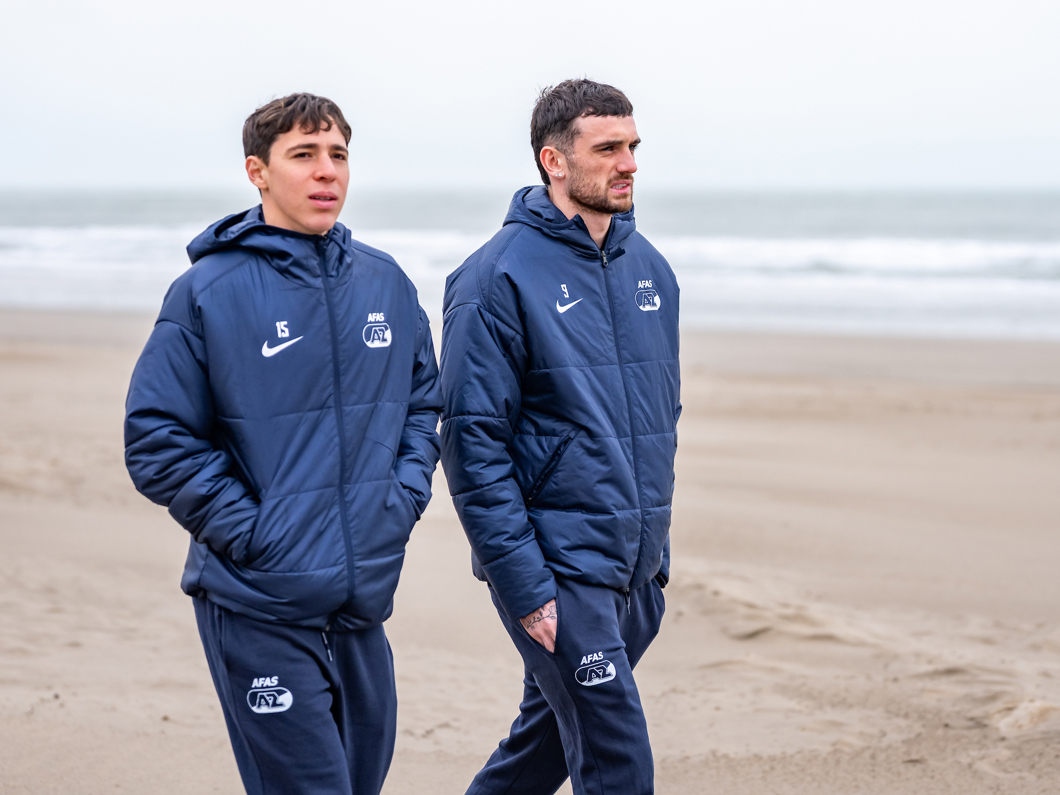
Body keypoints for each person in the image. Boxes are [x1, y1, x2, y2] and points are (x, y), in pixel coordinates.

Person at [124, 93, 441, 795]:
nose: (327, 171)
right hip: (258, 601)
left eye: (338, 154)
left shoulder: (386, 283)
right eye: (303, 154)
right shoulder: (207, 292)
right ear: (257, 172)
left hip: (362, 602)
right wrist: (259, 534)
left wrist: (401, 498)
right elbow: (155, 438)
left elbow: (424, 403)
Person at [439, 79, 681, 795]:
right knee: (619, 762)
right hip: (556, 572)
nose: (628, 163)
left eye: (632, 146)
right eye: (607, 148)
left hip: (632, 572)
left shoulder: (650, 270)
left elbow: (658, 419)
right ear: (554, 160)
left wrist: (654, 562)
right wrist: (524, 585)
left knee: (538, 752)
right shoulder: (495, 278)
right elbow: (473, 446)